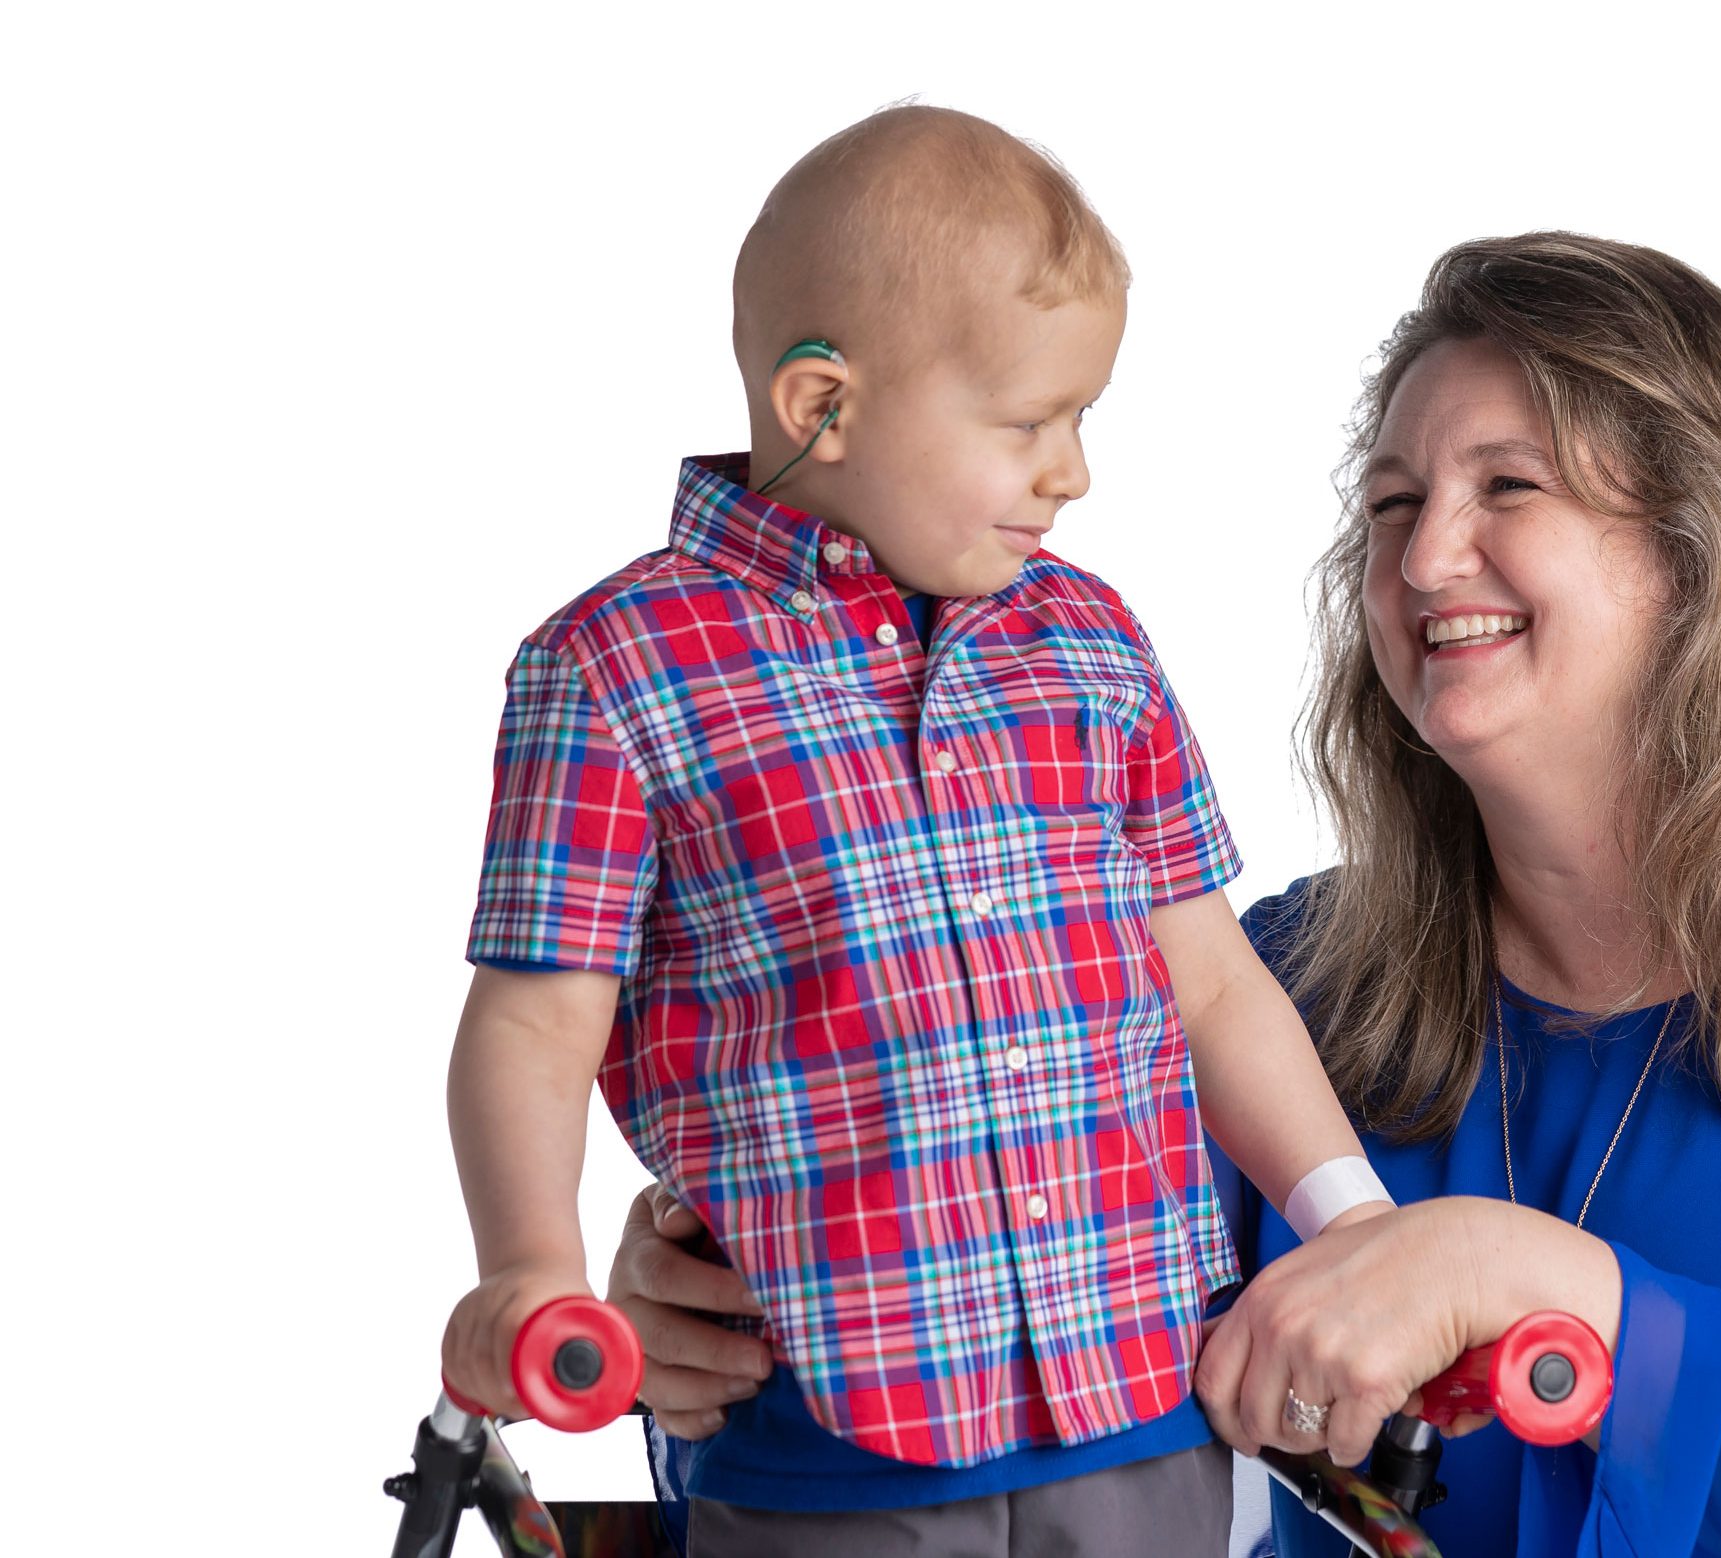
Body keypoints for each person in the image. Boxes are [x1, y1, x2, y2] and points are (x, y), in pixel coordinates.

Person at [611, 232, 1721, 1557]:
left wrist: (1526, 1273)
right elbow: (1008, 1420)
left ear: (1700, 551)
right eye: (1391, 507)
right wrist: (739, 1334)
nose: (1423, 555)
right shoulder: (1282, 985)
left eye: (1506, 489)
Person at [438, 107, 1391, 1558]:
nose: (1071, 470)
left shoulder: (1092, 642)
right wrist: (530, 1265)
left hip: (1139, 1403)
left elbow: (1205, 980)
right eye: (1025, 424)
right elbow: (531, 1023)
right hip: (830, 1440)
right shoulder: (615, 669)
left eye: (1083, 418)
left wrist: (1348, 1217)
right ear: (822, 402)